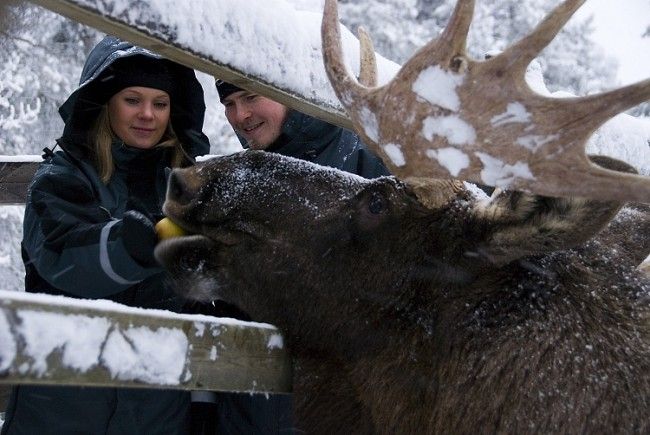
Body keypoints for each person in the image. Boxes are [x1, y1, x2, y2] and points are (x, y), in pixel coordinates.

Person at [1, 36, 210, 434]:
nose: (148, 114)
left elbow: (203, 304)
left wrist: (203, 399)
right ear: (106, 102)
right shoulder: (59, 180)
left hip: (157, 415)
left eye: (160, 103)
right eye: (132, 99)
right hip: (63, 411)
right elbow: (62, 259)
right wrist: (129, 246)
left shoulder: (185, 189)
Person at [215, 80, 390, 178]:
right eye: (229, 104)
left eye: (251, 97)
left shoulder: (373, 160)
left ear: (286, 93)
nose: (239, 115)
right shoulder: (242, 176)